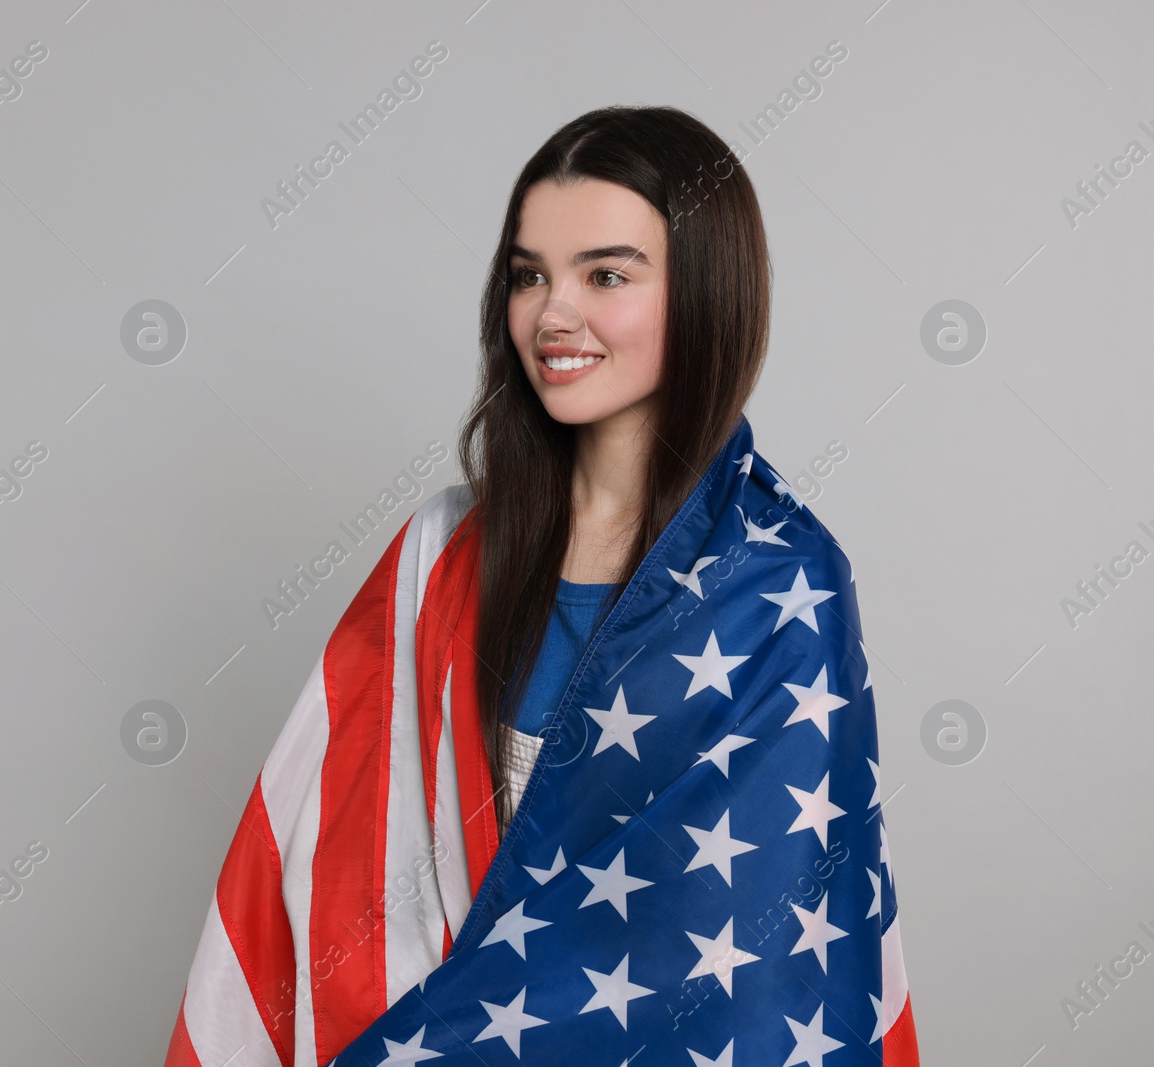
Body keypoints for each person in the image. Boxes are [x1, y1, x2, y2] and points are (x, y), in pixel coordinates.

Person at [164, 105, 919, 1067]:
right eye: (529, 275)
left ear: (705, 291)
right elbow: (332, 872)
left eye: (606, 274)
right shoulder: (441, 553)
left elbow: (765, 966)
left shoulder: (781, 577)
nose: (552, 314)